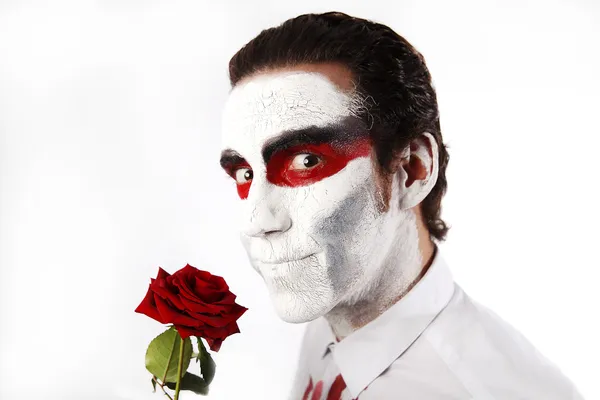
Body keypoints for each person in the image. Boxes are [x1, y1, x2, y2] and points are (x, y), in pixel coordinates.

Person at [218, 11, 583, 400]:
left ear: (413, 169)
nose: (256, 221)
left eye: (307, 161)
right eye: (244, 173)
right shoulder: (332, 312)